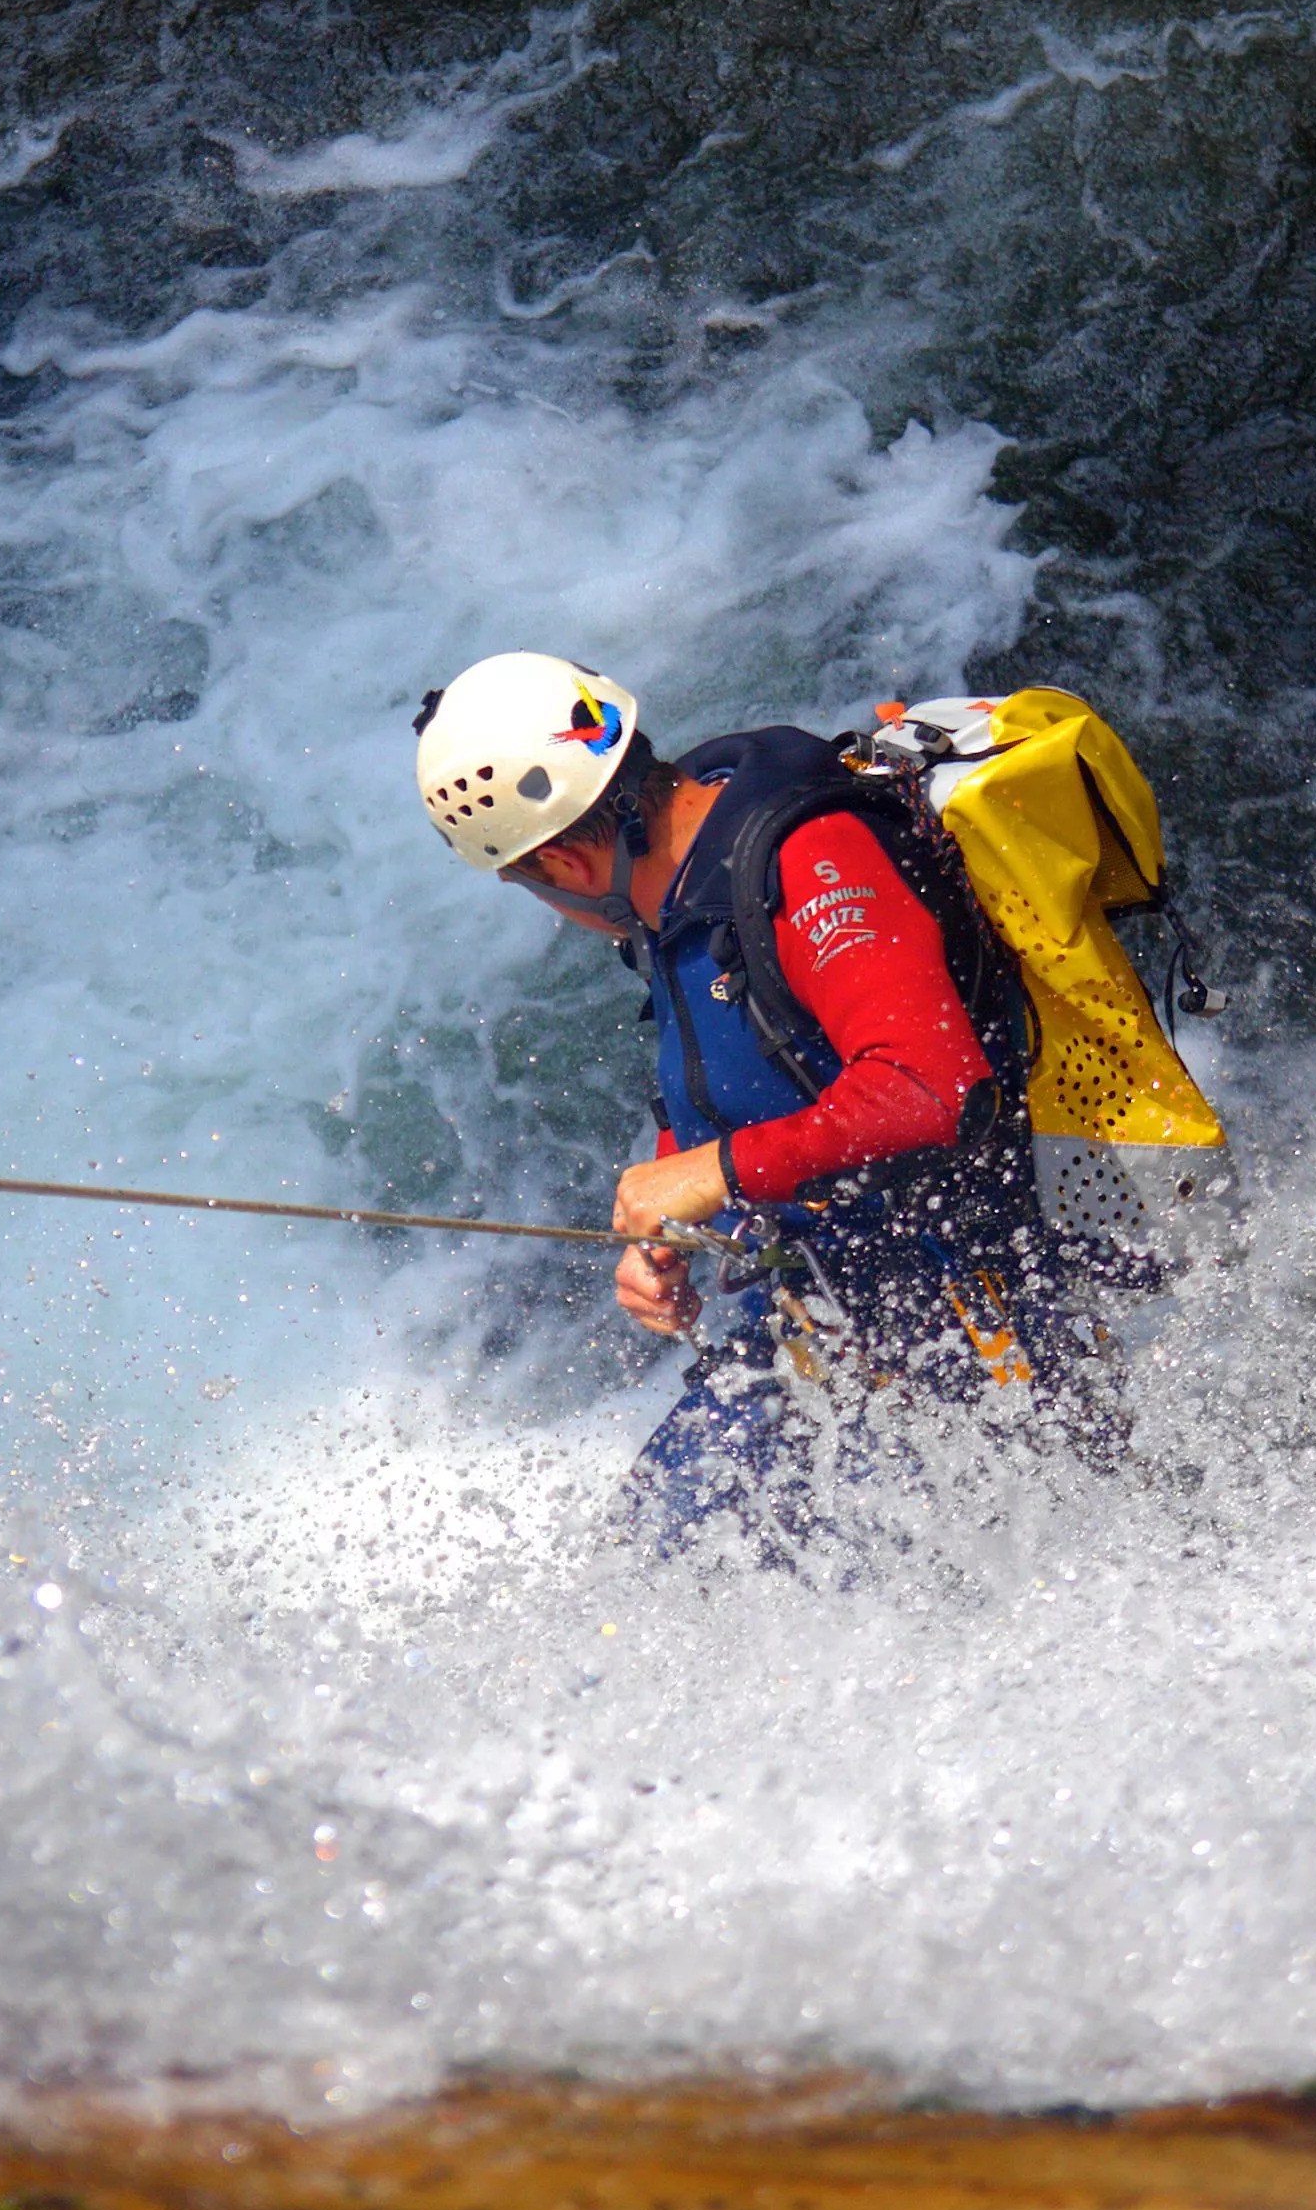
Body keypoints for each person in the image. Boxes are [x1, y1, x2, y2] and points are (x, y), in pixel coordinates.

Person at [413, 652, 1111, 1549]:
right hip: (819, 1322)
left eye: (532, 887)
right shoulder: (673, 894)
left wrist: (720, 1170)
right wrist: (672, 1198)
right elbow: (742, 1071)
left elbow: (933, 1085)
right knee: (649, 1576)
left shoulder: (808, 858)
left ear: (566, 861)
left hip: (971, 1331)